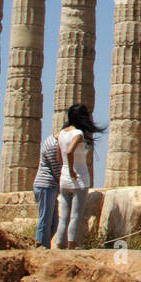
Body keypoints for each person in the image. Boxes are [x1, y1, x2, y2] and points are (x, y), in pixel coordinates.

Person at [56, 104, 105, 249]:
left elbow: (59, 157)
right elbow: (70, 151)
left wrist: (67, 168)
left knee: (63, 218)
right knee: (75, 216)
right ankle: (71, 246)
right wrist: (72, 170)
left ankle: (59, 246)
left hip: (63, 179)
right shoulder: (78, 134)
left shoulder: (61, 133)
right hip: (79, 179)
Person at [32, 129, 61, 248]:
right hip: (45, 186)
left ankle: (41, 245)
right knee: (45, 222)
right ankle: (40, 249)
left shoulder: (52, 141)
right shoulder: (53, 145)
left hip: (49, 186)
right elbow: (57, 169)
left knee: (53, 224)